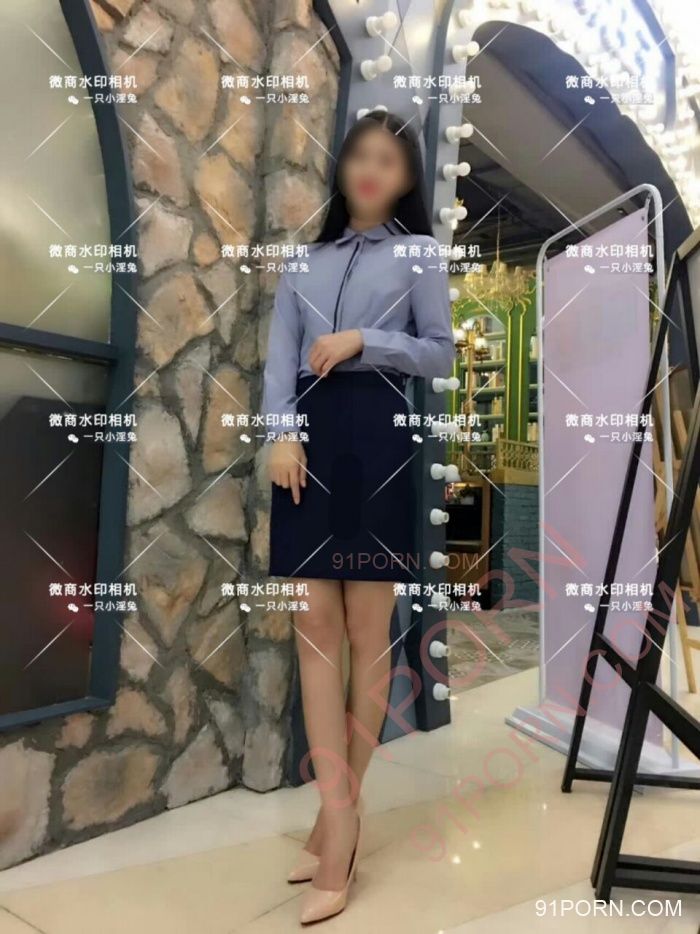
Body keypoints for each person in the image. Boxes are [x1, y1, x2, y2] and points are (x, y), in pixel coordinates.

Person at [261, 109, 455, 924]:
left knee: (369, 634)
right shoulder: (302, 262)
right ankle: (339, 813)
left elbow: (439, 350)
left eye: (390, 161)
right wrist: (279, 433)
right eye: (361, 156)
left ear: (406, 180)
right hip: (306, 447)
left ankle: (336, 828)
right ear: (342, 168)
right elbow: (279, 359)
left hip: (378, 441)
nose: (372, 170)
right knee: (314, 630)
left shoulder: (420, 255)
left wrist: (363, 341)